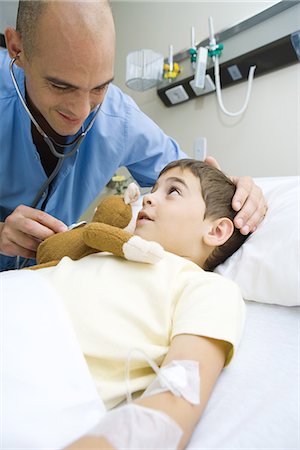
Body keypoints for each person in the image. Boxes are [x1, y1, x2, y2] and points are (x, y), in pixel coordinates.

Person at [0, 0, 267, 272]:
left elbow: (194, 187)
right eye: (60, 85)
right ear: (16, 49)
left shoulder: (120, 119)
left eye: (100, 87)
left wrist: (238, 193)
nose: (82, 110)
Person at [21, 159, 246, 449]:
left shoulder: (206, 288)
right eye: (154, 188)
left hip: (31, 369)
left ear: (216, 231)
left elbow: (177, 396)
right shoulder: (107, 250)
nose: (148, 197)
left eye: (173, 191)